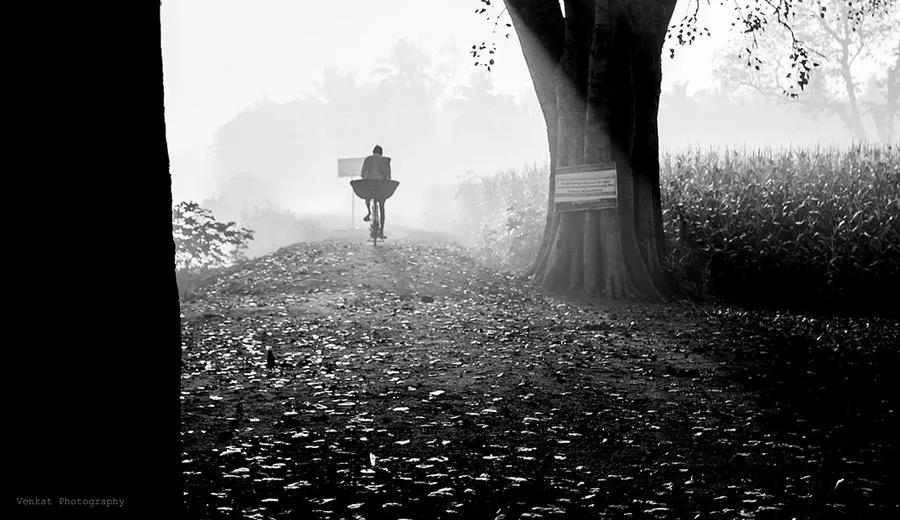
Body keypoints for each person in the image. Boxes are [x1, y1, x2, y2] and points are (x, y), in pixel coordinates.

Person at [360, 145, 391, 239]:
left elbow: (362, 173)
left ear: (373, 152)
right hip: (380, 186)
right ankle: (381, 232)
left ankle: (369, 212)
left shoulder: (367, 159)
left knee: (367, 197)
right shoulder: (385, 160)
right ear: (381, 153)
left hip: (368, 185)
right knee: (382, 207)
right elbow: (387, 175)